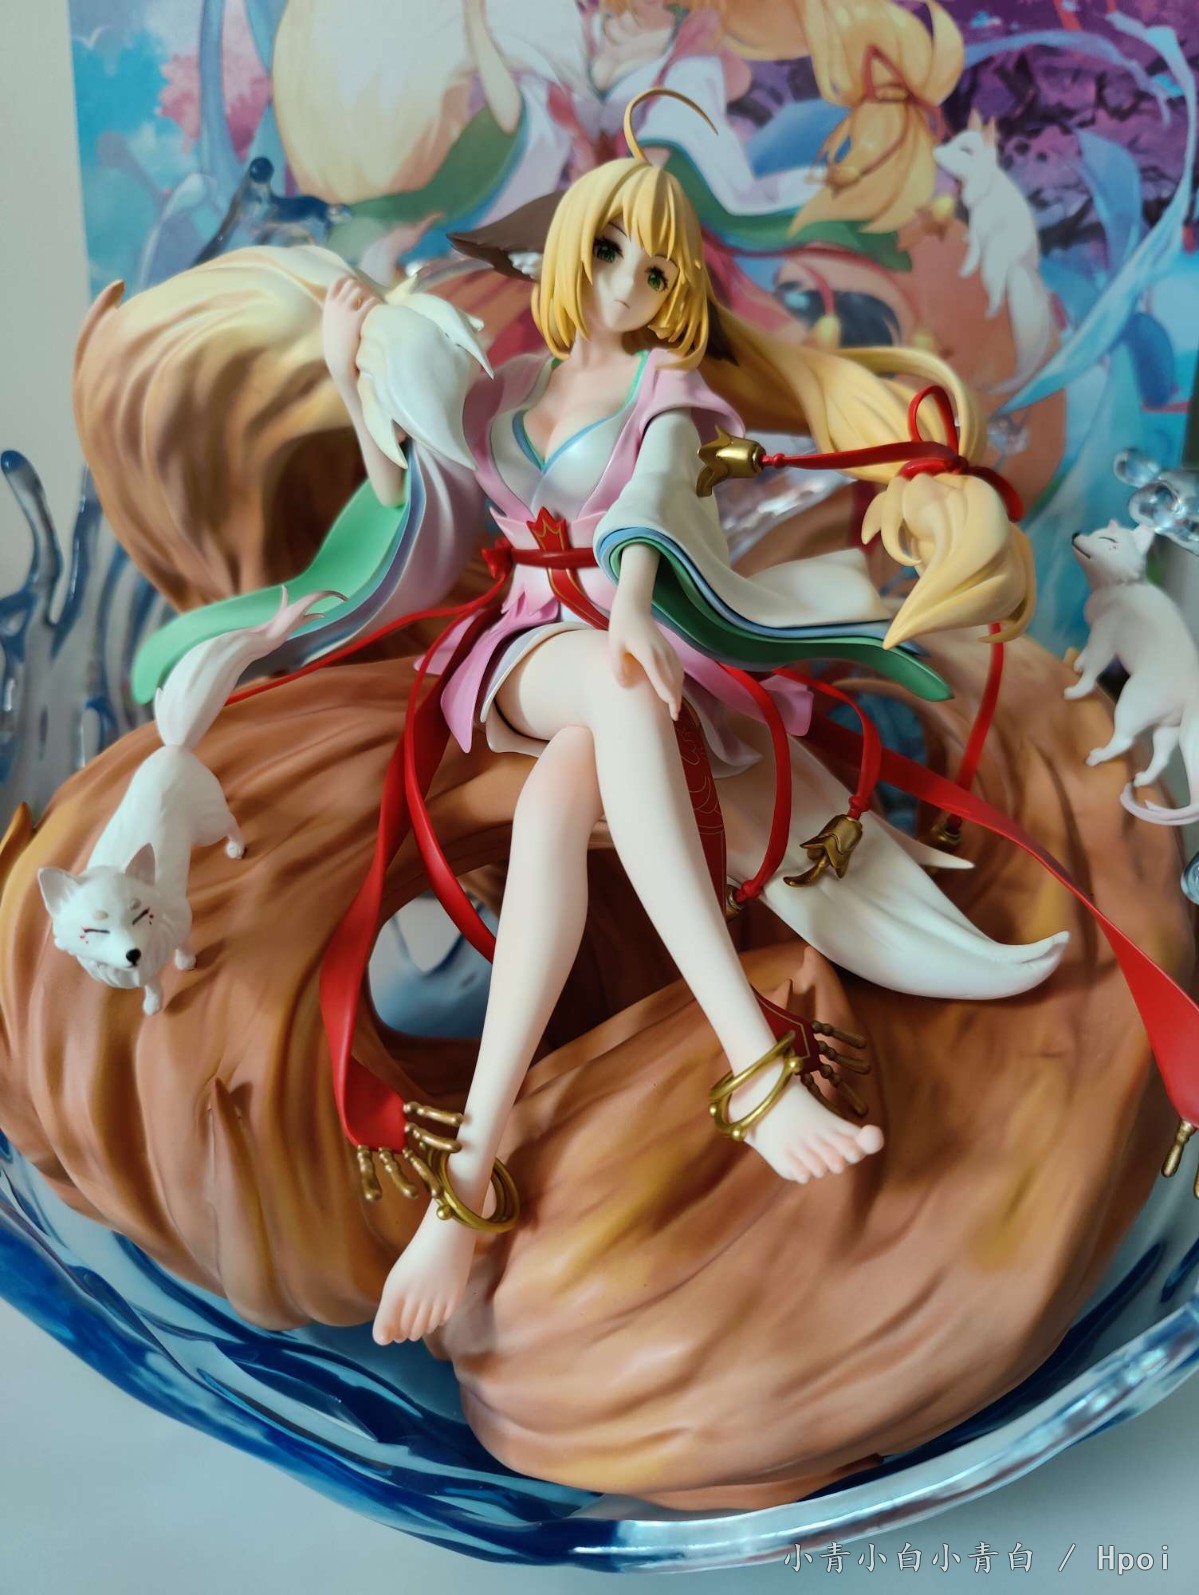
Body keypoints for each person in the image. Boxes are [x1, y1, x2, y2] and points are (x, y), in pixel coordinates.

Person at [121, 90, 1067, 1345]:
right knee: (610, 702)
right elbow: (411, 495)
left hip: (621, 640)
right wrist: (354, 375)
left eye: (654, 266)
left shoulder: (669, 391)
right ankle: (755, 1067)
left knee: (562, 804)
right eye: (608, 249)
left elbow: (655, 504)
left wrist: (628, 606)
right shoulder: (506, 386)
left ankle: (465, 1176)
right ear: (565, 251)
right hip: (520, 654)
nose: (627, 281)